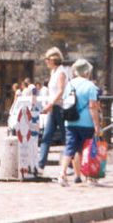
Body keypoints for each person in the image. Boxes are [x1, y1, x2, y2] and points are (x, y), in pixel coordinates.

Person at [59, 59, 102, 186]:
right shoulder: (91, 86)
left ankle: (63, 174)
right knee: (88, 149)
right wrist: (97, 125)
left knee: (71, 149)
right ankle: (89, 176)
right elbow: (93, 107)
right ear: (87, 72)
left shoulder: (69, 85)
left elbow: (65, 102)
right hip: (86, 123)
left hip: (71, 122)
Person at [37, 46, 69, 175]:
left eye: (47, 59)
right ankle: (40, 165)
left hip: (60, 108)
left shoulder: (61, 72)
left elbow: (61, 91)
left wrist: (50, 104)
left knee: (66, 137)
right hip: (53, 108)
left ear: (54, 59)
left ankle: (71, 164)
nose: (46, 61)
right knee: (46, 136)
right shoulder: (54, 72)